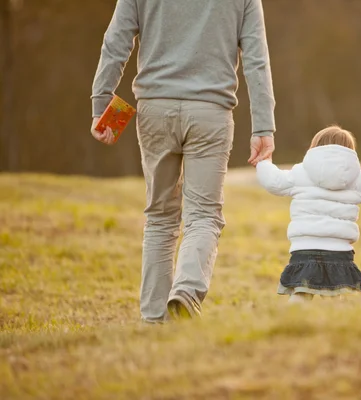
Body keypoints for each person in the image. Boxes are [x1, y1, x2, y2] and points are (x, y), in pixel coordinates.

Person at [90, 0, 276, 321]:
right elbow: (256, 57)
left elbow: (116, 41)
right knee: (203, 215)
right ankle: (186, 291)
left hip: (154, 109)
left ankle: (153, 320)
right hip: (210, 112)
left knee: (160, 218)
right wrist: (263, 125)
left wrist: (101, 102)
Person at [256, 126, 361, 303]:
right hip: (339, 251)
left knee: (301, 290)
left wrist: (264, 162)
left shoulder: (300, 173)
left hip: (304, 248)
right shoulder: (355, 179)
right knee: (335, 291)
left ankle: (293, 321)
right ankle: (333, 322)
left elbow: (273, 181)